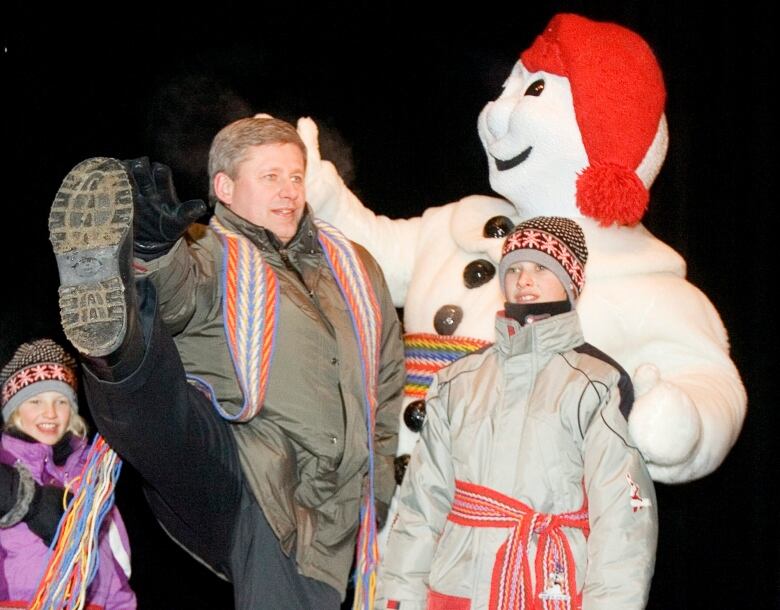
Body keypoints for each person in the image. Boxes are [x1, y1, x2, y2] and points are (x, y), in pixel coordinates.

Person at [47, 116, 405, 609]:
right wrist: (154, 251)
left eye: (296, 176)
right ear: (225, 187)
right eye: (270, 176)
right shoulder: (207, 250)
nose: (288, 191)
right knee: (158, 387)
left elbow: (384, 385)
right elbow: (178, 293)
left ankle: (118, 349)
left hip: (320, 504)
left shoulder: (354, 269)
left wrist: (378, 485)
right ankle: (112, 341)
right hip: (236, 463)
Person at [377, 217, 658, 610]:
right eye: (515, 269)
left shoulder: (595, 383)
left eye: (541, 268)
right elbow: (422, 505)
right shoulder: (459, 381)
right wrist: (399, 600)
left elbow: (622, 519)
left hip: (549, 588)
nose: (525, 280)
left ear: (572, 281)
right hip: (460, 588)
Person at [0, 338, 136, 608]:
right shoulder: (6, 464)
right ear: (14, 410)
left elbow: (114, 564)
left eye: (61, 401)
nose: (50, 413)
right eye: (35, 401)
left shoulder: (91, 479)